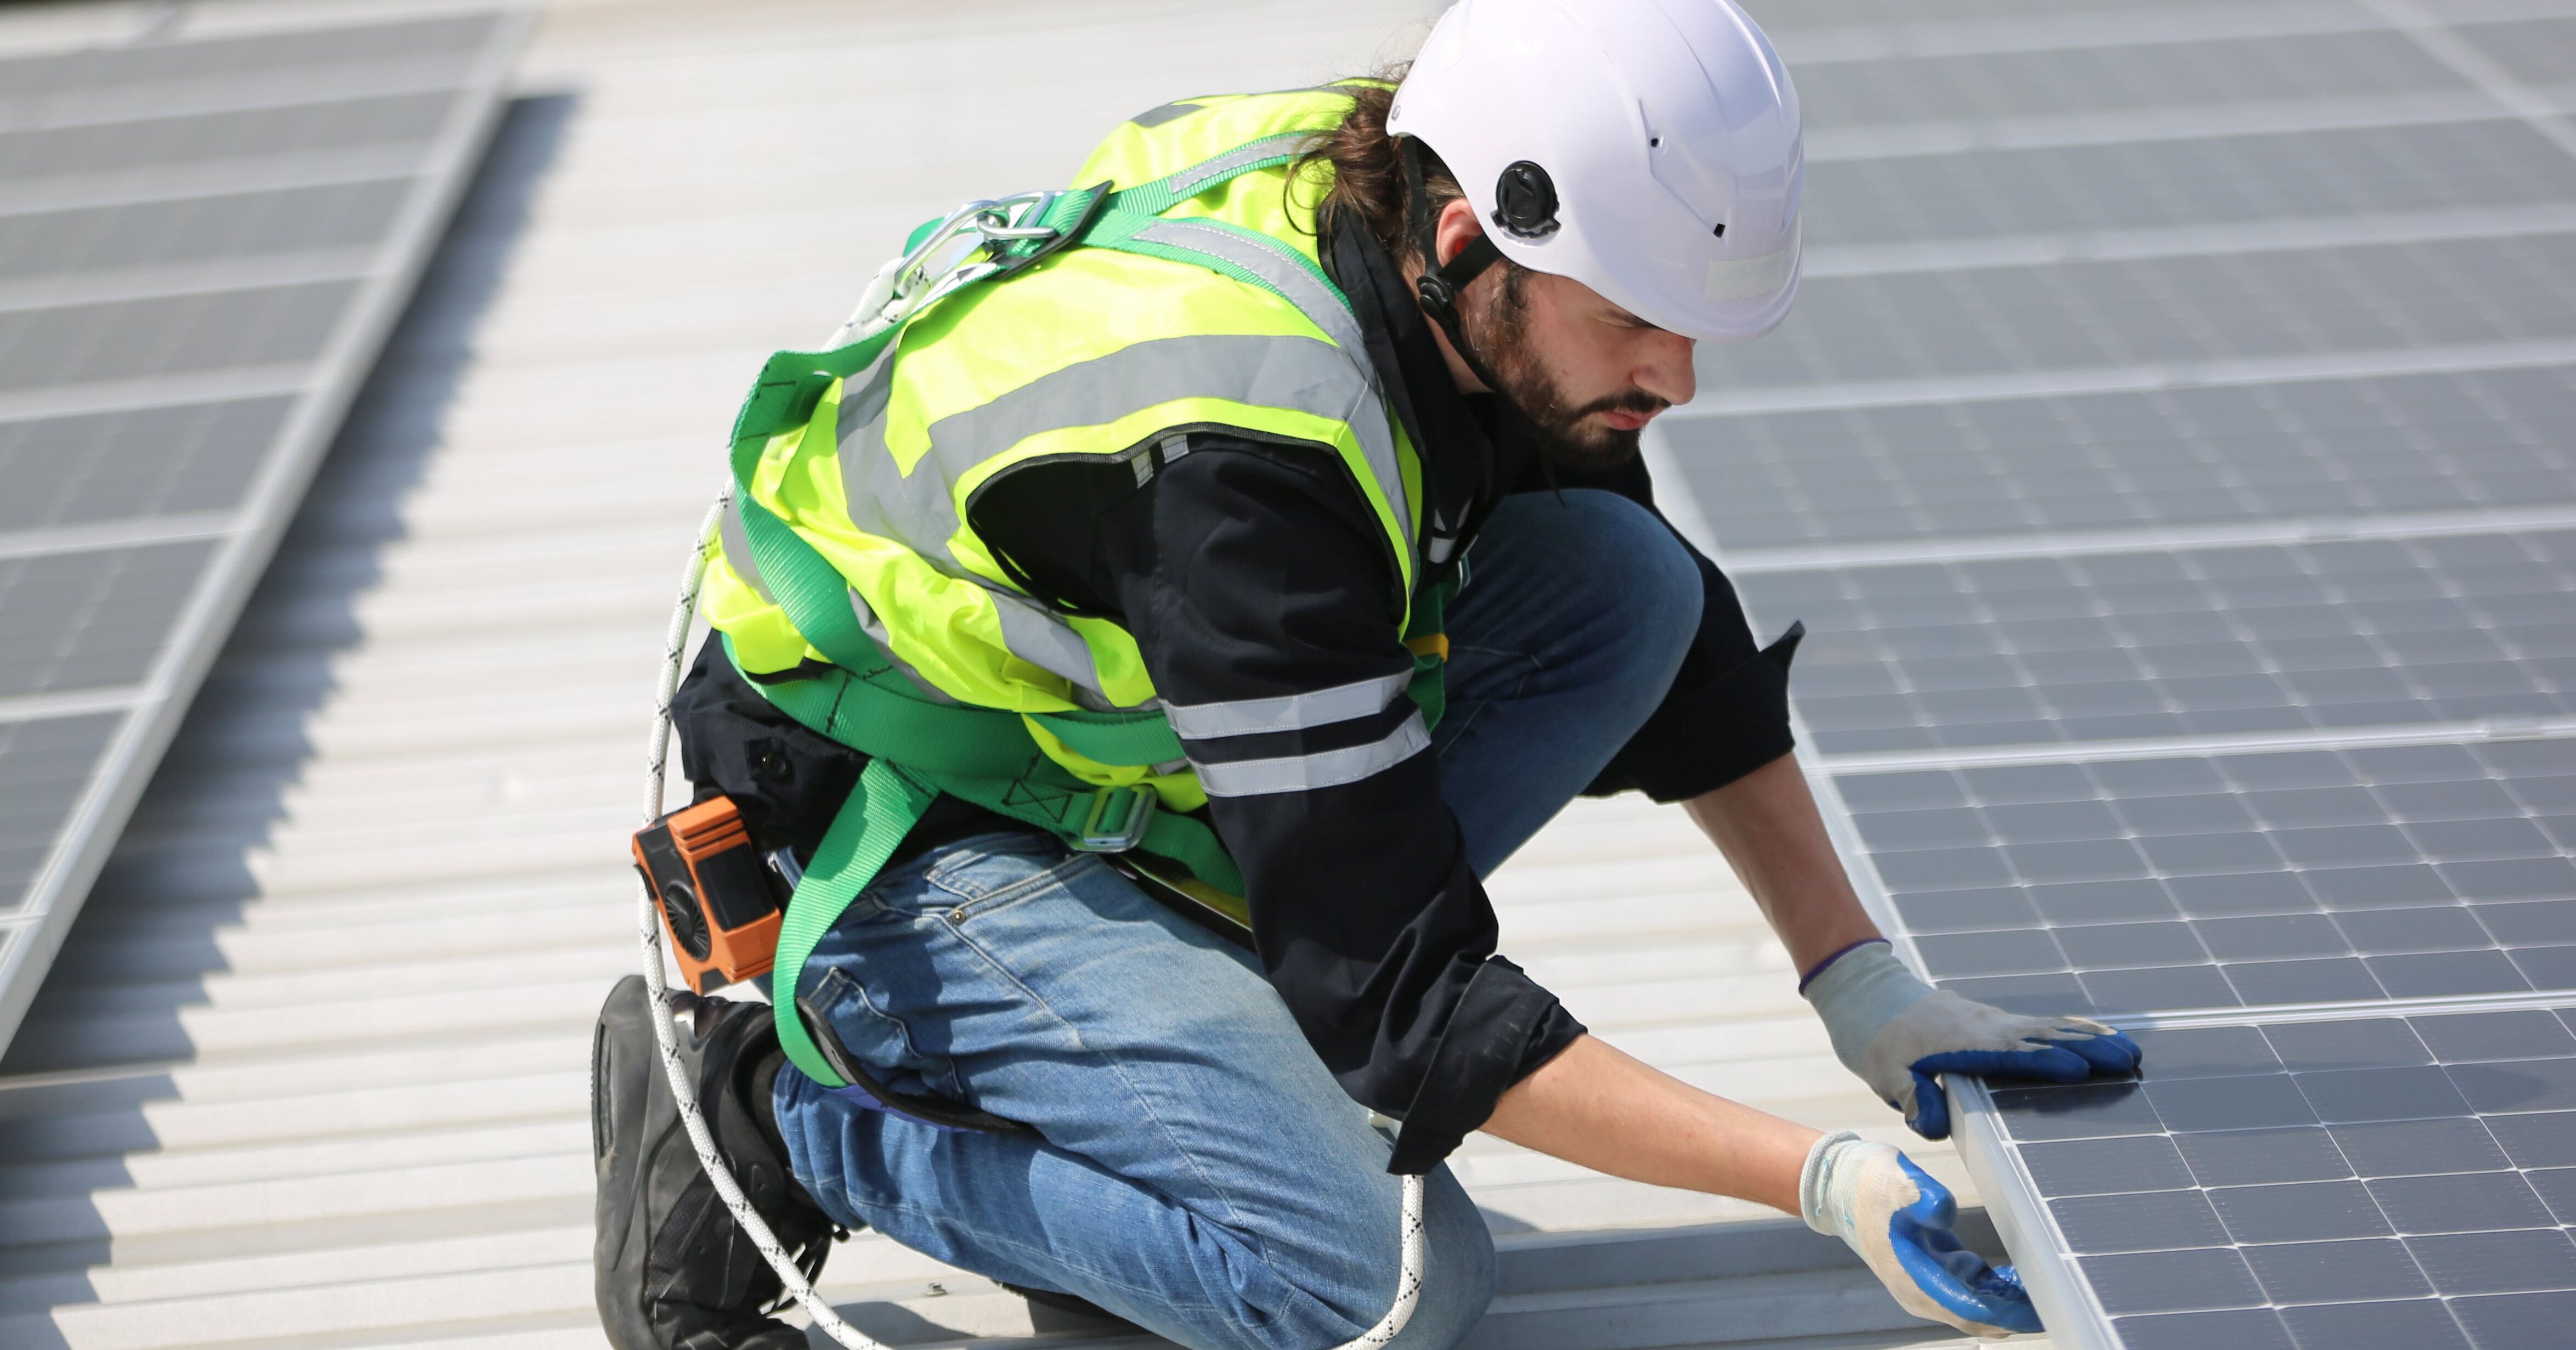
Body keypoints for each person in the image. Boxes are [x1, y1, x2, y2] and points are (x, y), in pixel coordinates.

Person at [592, 2, 2140, 1347]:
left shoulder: (1414, 224)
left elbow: (1684, 657)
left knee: (1625, 592)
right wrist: (1816, 1179)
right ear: (1472, 241)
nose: (1676, 377)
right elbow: (1401, 997)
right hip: (915, 833)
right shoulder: (1244, 453)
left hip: (1092, 758)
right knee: (1377, 1293)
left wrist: (1862, 988)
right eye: (1636, 323)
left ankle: (1145, 1110)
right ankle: (785, 1114)